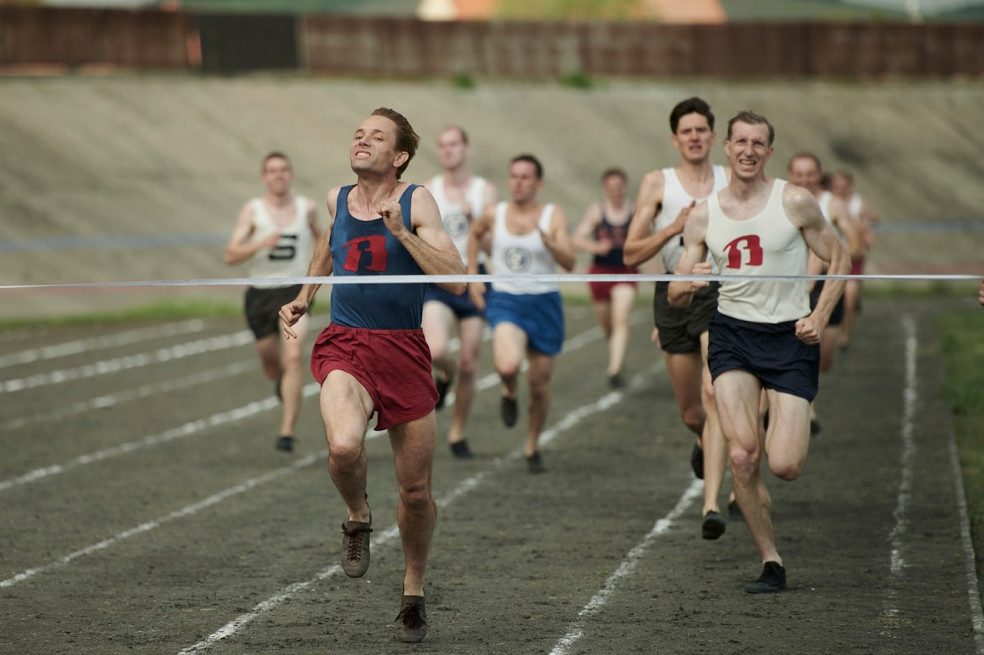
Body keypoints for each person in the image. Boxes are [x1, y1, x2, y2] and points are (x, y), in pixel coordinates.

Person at [278, 108, 466, 643]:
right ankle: (357, 514)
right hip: (347, 343)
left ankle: (413, 592)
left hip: (404, 350)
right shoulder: (338, 198)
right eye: (358, 133)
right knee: (342, 446)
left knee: (415, 492)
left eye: (376, 136)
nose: (362, 140)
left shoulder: (416, 200)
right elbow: (328, 245)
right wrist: (304, 297)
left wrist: (403, 234)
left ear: (399, 155)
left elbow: (456, 281)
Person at [668, 110, 850, 593]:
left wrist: (820, 314)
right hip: (732, 337)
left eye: (758, 144)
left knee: (784, 465)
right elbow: (676, 290)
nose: (748, 151)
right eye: (740, 142)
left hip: (789, 339)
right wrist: (689, 282)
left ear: (770, 152)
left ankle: (762, 462)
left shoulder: (794, 201)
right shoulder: (705, 213)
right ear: (726, 148)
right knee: (744, 456)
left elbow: (841, 257)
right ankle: (771, 560)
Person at [623, 97, 733, 540]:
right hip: (671, 292)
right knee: (693, 413)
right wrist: (673, 227)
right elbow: (631, 253)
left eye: (701, 130)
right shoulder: (657, 184)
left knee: (714, 392)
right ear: (674, 138)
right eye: (685, 131)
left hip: (720, 292)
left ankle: (715, 500)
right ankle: (702, 442)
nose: (694, 137)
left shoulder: (730, 180)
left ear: (713, 136)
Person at [467, 154, 576, 473]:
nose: (518, 182)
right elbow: (474, 234)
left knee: (540, 386)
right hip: (506, 300)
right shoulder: (495, 213)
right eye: (513, 176)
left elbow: (569, 262)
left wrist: (550, 243)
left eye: (525, 177)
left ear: (538, 183)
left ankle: (531, 445)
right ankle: (509, 389)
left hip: (544, 303)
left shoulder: (553, 216)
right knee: (507, 364)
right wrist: (474, 275)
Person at [223, 151, 321, 452]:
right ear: (264, 178)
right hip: (260, 295)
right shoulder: (253, 211)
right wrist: (260, 243)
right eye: (272, 171)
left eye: (283, 170)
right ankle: (280, 380)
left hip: (294, 292)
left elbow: (324, 241)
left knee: (293, 357)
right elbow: (230, 255)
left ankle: (287, 431)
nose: (278, 175)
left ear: (290, 175)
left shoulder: (307, 208)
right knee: (272, 365)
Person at [421, 125, 497, 459]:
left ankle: (457, 433)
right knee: (436, 349)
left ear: (466, 149)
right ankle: (443, 374)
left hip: (475, 276)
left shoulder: (485, 191)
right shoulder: (428, 189)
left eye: (454, 144)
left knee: (469, 363)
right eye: (443, 145)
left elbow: (496, 245)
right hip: (439, 277)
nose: (448, 150)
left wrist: (475, 221)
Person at [787, 153, 863, 434]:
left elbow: (856, 247)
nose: (805, 179)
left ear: (820, 175)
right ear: (791, 175)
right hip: (793, 286)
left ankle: (800, 392)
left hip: (828, 284)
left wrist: (829, 256)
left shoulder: (834, 204)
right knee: (796, 346)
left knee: (824, 358)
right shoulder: (786, 202)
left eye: (810, 173)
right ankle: (801, 404)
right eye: (799, 174)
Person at [572, 167, 638, 388]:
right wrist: (596, 246)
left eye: (619, 187)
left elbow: (647, 239)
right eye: (611, 187)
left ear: (625, 188)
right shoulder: (597, 212)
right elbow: (577, 240)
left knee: (620, 319)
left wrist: (654, 270)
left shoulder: (634, 211)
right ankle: (616, 352)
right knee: (607, 325)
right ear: (605, 189)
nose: (616, 191)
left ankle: (614, 368)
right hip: (600, 272)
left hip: (625, 273)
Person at [830, 170, 878, 351]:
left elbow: (872, 218)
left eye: (844, 187)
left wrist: (864, 228)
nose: (840, 190)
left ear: (849, 186)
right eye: (837, 186)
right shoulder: (827, 202)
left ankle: (844, 336)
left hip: (853, 259)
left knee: (848, 300)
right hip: (831, 259)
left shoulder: (858, 203)